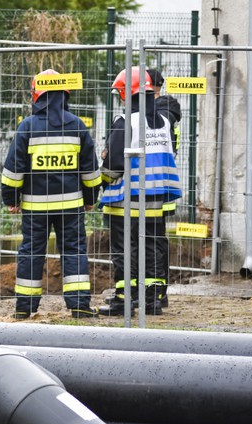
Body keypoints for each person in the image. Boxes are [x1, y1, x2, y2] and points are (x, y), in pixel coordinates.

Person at [1, 69, 101, 320]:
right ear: (64, 94)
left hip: (36, 207)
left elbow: (14, 169)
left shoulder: (27, 126)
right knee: (74, 250)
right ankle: (79, 305)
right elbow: (90, 169)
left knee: (31, 251)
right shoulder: (77, 125)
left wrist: (11, 200)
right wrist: (90, 200)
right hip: (71, 207)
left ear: (37, 95)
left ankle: (24, 306)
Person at [98, 67, 182, 316]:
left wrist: (99, 183)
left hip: (128, 198)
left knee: (126, 247)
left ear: (126, 93)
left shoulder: (126, 122)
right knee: (153, 245)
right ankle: (153, 300)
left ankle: (124, 299)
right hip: (157, 198)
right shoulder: (164, 122)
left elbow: (113, 163)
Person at [148, 68, 182, 307]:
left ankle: (156, 293)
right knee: (157, 239)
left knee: (153, 241)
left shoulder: (159, 115)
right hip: (162, 184)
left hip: (154, 186)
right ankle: (159, 292)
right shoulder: (166, 112)